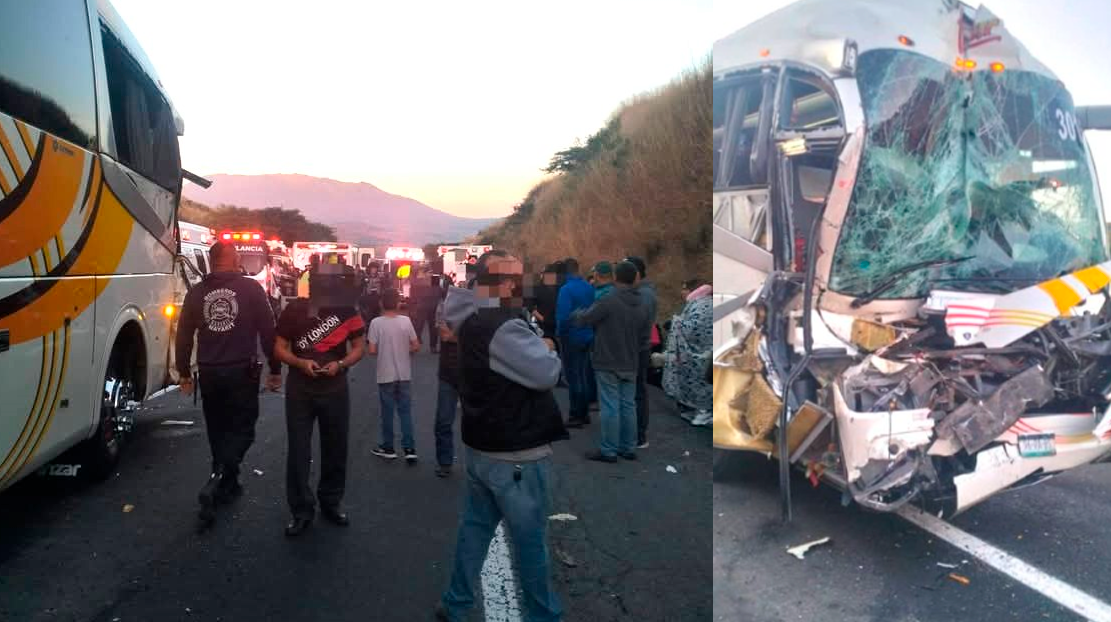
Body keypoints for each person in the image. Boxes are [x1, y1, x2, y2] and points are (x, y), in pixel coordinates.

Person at [436, 251, 566, 622]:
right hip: (516, 450)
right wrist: (548, 347)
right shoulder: (502, 325)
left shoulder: (470, 316)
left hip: (482, 443)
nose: (518, 285)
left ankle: (456, 602)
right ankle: (543, 615)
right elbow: (545, 374)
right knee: (530, 545)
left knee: (474, 530)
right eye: (512, 278)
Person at [175, 241, 282, 529]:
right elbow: (268, 330)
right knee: (244, 428)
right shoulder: (250, 289)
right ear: (235, 260)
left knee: (218, 430)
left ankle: (227, 483)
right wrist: (275, 368)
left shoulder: (197, 293)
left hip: (209, 373)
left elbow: (184, 335)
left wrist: (184, 372)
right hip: (241, 371)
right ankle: (218, 477)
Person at [274, 262, 366, 536]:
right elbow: (279, 348)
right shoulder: (294, 310)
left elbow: (360, 346)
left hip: (335, 387)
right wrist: (300, 363)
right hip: (300, 389)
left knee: (336, 448)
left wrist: (342, 364)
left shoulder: (348, 311)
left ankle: (331, 503)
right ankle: (301, 511)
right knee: (299, 452)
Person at [571, 261, 650, 462]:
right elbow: (644, 335)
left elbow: (586, 319)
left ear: (616, 278)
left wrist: (576, 314)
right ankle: (629, 447)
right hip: (631, 360)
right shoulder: (643, 303)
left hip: (607, 359)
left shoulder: (609, 300)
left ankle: (609, 450)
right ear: (635, 279)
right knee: (628, 405)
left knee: (610, 406)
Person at [368, 288, 421, 461]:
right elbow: (416, 346)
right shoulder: (406, 321)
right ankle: (409, 448)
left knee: (387, 412)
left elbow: (372, 350)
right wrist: (404, 350)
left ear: (381, 303)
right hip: (404, 373)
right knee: (405, 411)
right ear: (398, 303)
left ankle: (388, 447)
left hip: (385, 374)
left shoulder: (376, 323)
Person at [663, 283, 714, 426]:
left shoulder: (701, 305)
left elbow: (694, 328)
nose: (682, 291)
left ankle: (704, 412)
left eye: (685, 288)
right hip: (703, 352)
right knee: (700, 382)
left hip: (701, 353)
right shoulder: (701, 303)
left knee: (701, 383)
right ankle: (701, 411)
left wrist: (676, 323)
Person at [622, 256, 657, 449]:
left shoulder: (643, 295)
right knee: (636, 391)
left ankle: (638, 435)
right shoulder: (645, 292)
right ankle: (635, 433)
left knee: (636, 392)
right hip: (639, 347)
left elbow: (636, 323)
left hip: (637, 348)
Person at [555, 258, 595, 428]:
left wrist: (559, 333)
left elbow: (563, 317)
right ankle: (584, 412)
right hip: (588, 335)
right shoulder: (588, 286)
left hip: (571, 337)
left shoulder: (566, 289)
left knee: (573, 377)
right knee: (584, 374)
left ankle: (576, 415)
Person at [433, 286, 461, 478]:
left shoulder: (483, 310)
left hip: (474, 373)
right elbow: (445, 335)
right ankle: (445, 462)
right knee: (443, 421)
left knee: (481, 420)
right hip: (448, 373)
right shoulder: (444, 307)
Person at [410, 266, 441, 353]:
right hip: (421, 306)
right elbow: (413, 293)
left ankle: (433, 347)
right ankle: (414, 345)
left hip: (432, 306)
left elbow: (439, 291)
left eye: (431, 272)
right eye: (429, 272)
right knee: (418, 327)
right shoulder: (417, 281)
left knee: (433, 328)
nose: (430, 274)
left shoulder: (434, 280)